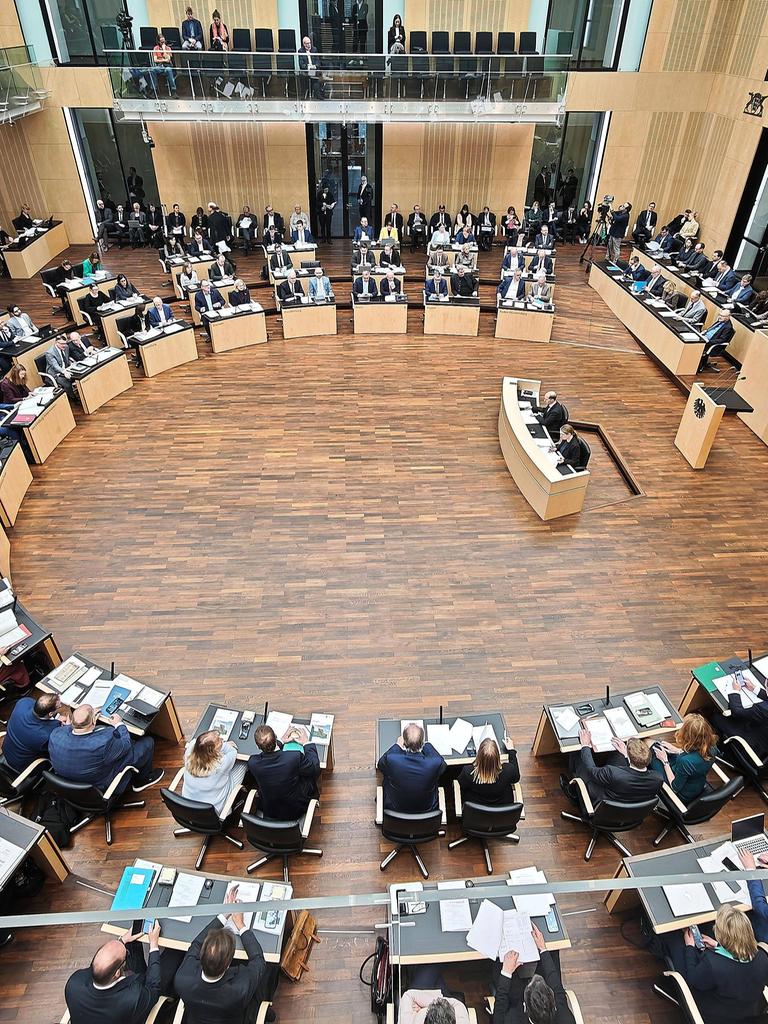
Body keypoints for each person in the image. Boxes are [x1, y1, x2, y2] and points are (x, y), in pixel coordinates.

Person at [174, 886, 277, 1024]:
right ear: (229, 964)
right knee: (271, 969)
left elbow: (196, 944)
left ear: (201, 956)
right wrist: (241, 925)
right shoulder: (240, 988)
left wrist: (224, 915)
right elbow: (258, 960)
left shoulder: (182, 978)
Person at [653, 907, 768, 1024]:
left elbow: (694, 980)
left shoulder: (713, 963)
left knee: (674, 942)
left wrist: (690, 947)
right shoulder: (762, 958)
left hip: (716, 1016)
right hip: (749, 1011)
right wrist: (718, 946)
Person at [64, 921, 178, 1024]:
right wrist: (153, 945)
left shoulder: (74, 982)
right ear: (117, 973)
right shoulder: (132, 998)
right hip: (139, 1004)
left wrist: (123, 940)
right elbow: (153, 988)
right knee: (174, 954)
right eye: (125, 956)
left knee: (131, 943)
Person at [49, 703, 163, 795]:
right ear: (94, 721)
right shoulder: (104, 742)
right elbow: (126, 744)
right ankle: (141, 781)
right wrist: (119, 724)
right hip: (98, 786)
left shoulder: (56, 734)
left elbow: (68, 730)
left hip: (68, 784)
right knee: (147, 742)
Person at [493, 925, 576, 1023]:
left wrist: (506, 972)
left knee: (499, 962)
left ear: (525, 1007)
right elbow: (558, 989)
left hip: (515, 1002)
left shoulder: (510, 1020)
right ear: (554, 1004)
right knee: (552, 954)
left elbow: (500, 1006)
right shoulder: (566, 1019)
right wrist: (543, 949)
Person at [562, 726, 662, 806]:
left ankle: (573, 792)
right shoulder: (658, 778)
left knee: (580, 757)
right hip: (630, 807)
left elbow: (591, 770)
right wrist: (626, 755)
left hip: (603, 803)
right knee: (617, 755)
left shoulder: (612, 773)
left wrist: (585, 745)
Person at [247, 723, 320, 819]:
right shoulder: (294, 757)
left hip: (270, 809)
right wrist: (307, 743)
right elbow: (314, 768)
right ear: (275, 737)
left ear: (258, 746)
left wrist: (281, 741)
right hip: (295, 809)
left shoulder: (253, 763)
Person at [378, 723, 446, 813]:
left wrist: (397, 745)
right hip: (427, 811)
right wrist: (427, 745)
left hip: (395, 809)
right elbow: (443, 767)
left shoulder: (392, 759)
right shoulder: (435, 762)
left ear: (404, 743)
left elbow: (380, 765)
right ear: (422, 742)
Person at [650, 714, 717, 803]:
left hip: (681, 793)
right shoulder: (713, 748)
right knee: (657, 745)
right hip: (695, 783)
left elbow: (675, 787)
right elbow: (697, 759)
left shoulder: (685, 761)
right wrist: (677, 750)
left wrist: (665, 761)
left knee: (651, 749)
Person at [182, 730, 243, 815]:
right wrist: (225, 745)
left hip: (188, 805)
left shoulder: (190, 750)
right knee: (242, 764)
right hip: (214, 811)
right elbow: (233, 751)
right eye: (219, 741)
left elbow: (196, 741)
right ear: (212, 752)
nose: (221, 740)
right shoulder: (219, 764)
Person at [1, 693, 65, 773]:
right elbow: (54, 750)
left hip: (7, 750)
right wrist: (66, 728)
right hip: (24, 766)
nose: (61, 706)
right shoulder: (47, 734)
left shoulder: (23, 702)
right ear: (51, 714)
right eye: (59, 706)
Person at [712, 672, 768, 757]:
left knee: (717, 717)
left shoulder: (762, 709)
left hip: (757, 747)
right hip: (763, 732)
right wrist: (754, 688)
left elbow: (737, 712)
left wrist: (735, 691)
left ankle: (724, 752)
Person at [458, 734, 519, 806]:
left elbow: (462, 785)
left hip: (476, 811)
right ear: (497, 757)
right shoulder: (508, 771)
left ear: (479, 756)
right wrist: (511, 751)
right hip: (501, 812)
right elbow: (516, 778)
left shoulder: (468, 772)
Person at [399, 988, 469, 1023]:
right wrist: (433, 1004)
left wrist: (425, 1007)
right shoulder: (461, 1019)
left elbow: (409, 995)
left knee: (429, 968)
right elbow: (456, 1003)